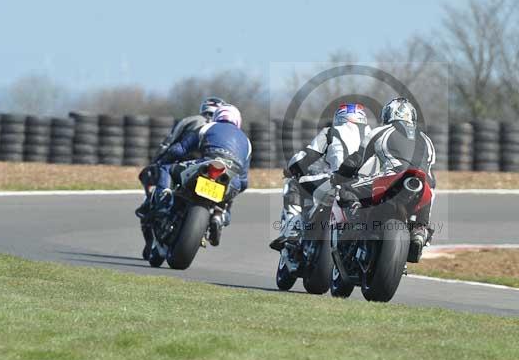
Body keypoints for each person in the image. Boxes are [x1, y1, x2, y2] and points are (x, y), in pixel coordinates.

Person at [334, 97, 436, 262]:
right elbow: (431, 178)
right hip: (421, 185)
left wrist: (340, 175)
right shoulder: (427, 140)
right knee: (429, 191)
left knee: (346, 189)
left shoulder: (381, 131)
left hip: (391, 178)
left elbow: (356, 160)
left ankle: (356, 221)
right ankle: (420, 231)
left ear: (388, 114)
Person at [269, 103, 371, 251]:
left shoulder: (330, 132)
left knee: (294, 183)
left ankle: (294, 226)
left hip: (336, 182)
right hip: (365, 186)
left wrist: (291, 169)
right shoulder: (375, 134)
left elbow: (308, 156)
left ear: (338, 118)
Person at [152, 103, 251, 246]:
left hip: (206, 164)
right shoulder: (247, 142)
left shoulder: (207, 127)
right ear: (238, 121)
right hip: (230, 177)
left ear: (218, 116)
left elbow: (179, 150)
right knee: (229, 198)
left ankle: (164, 198)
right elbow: (243, 181)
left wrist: (163, 160)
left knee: (167, 169)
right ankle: (220, 215)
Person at [136, 97, 226, 218]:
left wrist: (157, 161)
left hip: (186, 163)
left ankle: (162, 201)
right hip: (216, 166)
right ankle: (220, 214)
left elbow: (168, 142)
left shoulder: (191, 120)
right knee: (229, 187)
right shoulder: (225, 130)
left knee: (163, 169)